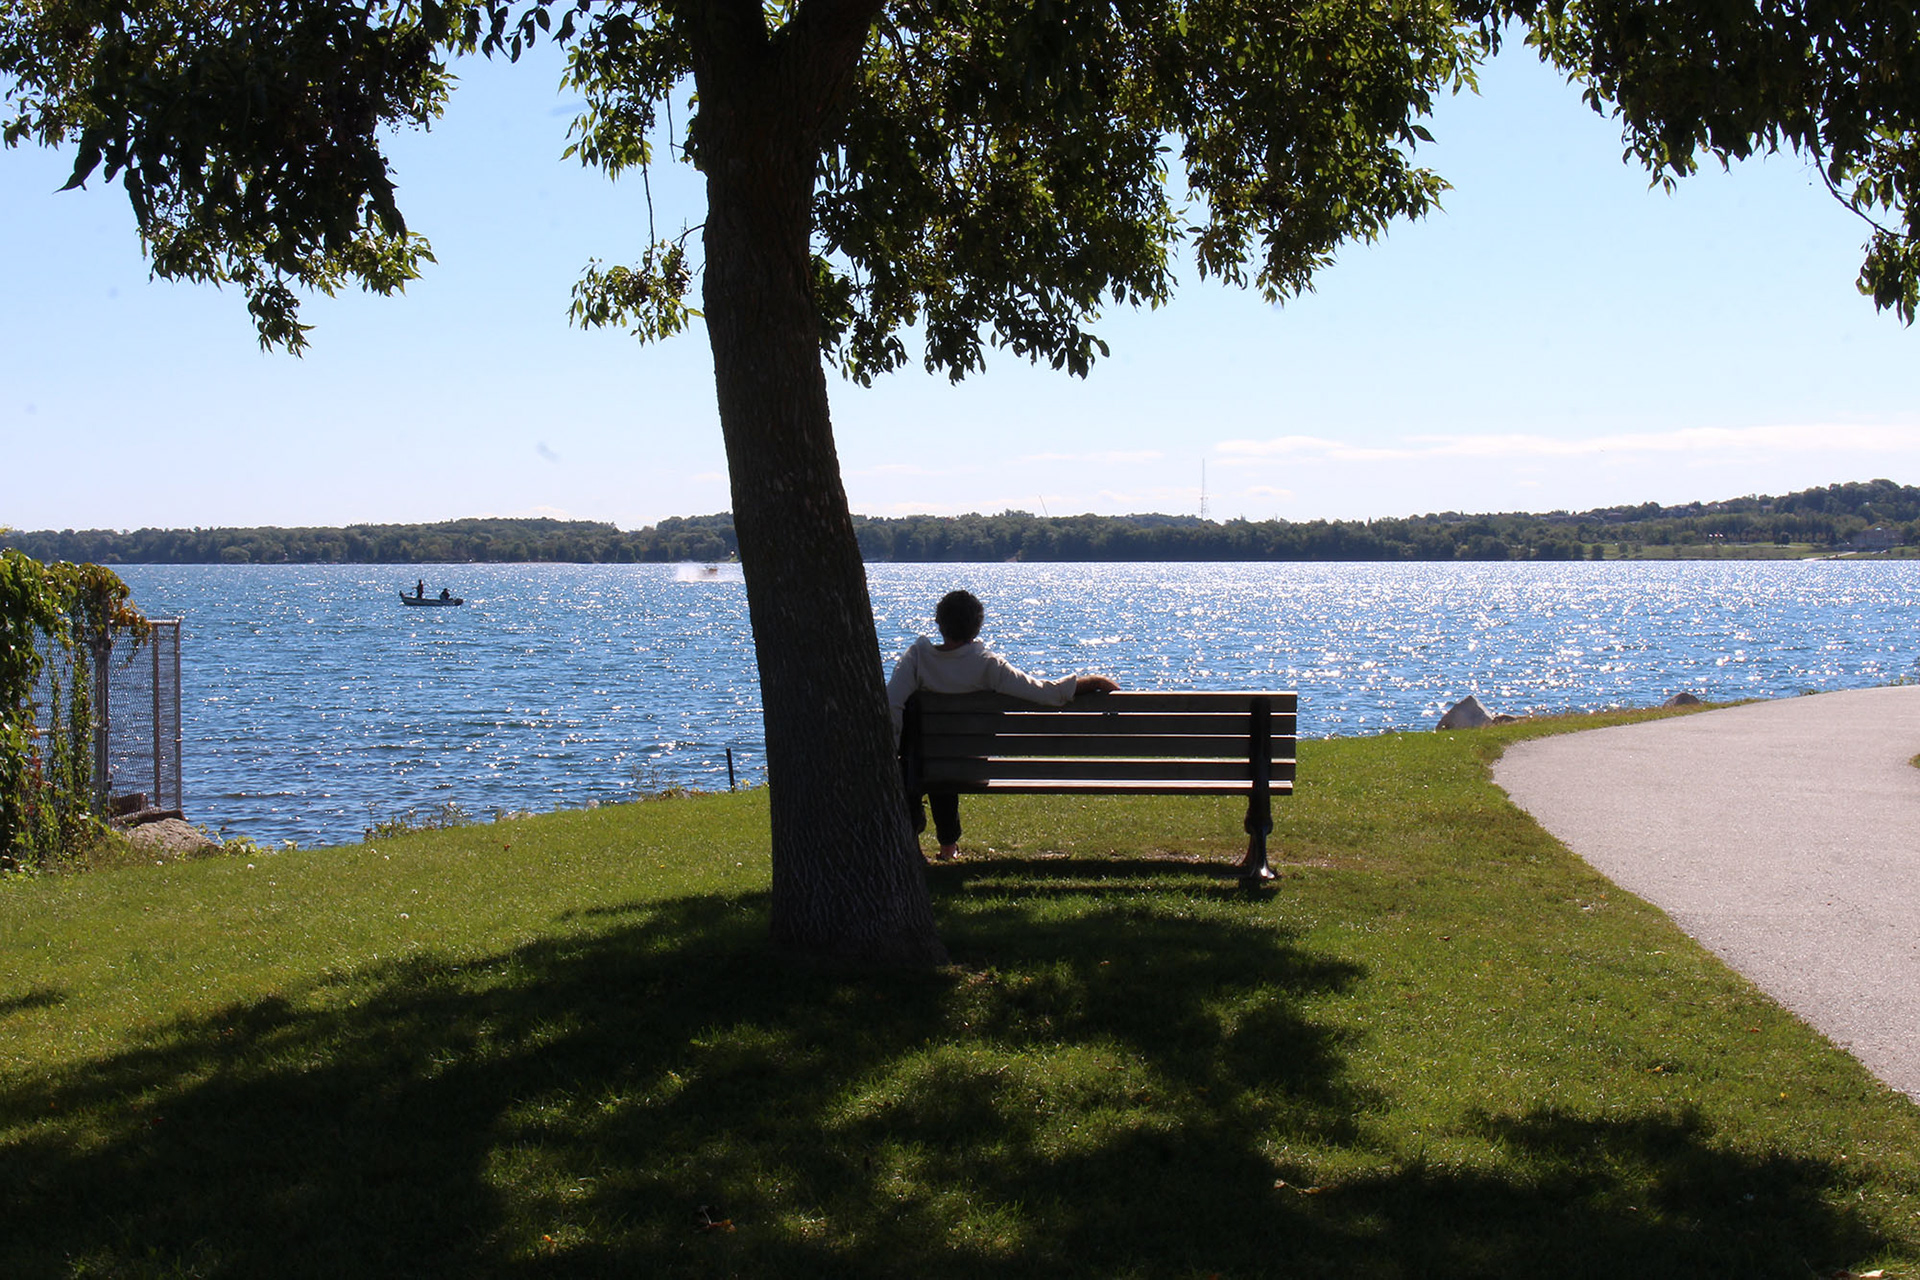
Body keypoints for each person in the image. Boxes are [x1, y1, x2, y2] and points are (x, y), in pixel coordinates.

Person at [887, 589, 1119, 861]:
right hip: (972, 768)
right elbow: (1044, 692)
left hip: (921, 770)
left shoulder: (916, 658)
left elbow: (892, 705)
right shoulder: (987, 665)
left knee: (928, 752)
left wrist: (890, 752)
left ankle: (923, 841)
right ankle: (948, 847)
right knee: (948, 756)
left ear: (939, 623)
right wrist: (1092, 682)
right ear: (977, 626)